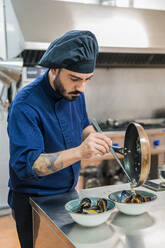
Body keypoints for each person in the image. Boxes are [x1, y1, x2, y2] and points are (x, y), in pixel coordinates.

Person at [7, 30, 112, 248]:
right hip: (33, 201)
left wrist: (94, 137)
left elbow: (84, 124)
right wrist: (81, 151)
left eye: (87, 80)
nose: (81, 88)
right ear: (54, 69)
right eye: (75, 79)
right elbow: (30, 165)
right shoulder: (25, 105)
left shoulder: (75, 93)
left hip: (68, 195)